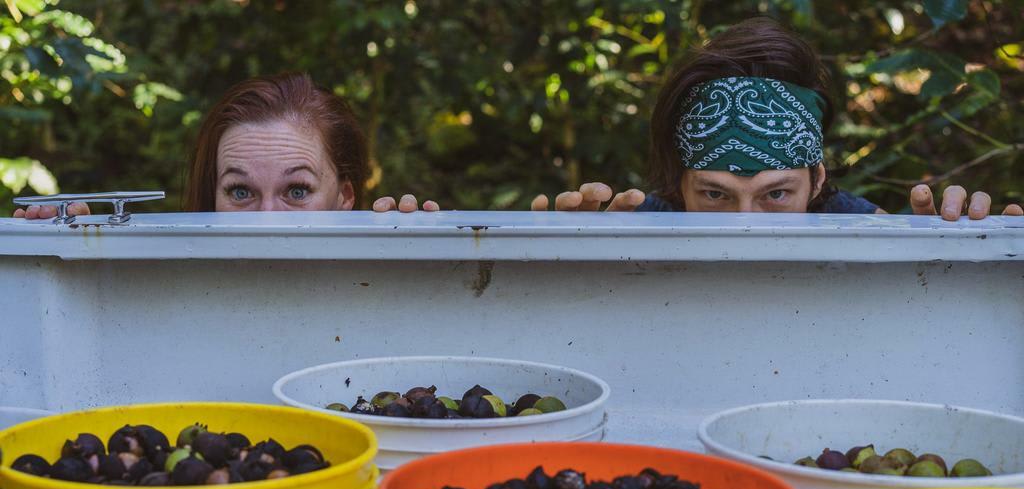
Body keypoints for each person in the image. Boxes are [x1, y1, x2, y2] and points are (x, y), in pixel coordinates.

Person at [532, 18, 1022, 219]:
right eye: (715, 194)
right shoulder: (638, 223)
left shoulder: (861, 228)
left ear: (817, 179)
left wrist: (954, 255)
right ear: (678, 183)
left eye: (777, 194)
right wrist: (565, 257)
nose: (747, 225)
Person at [14, 72, 433, 219]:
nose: (267, 218)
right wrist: (75, 258)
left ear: (344, 197)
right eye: (240, 191)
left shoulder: (371, 277)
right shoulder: (161, 285)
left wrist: (406, 257)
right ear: (211, 193)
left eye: (297, 191)